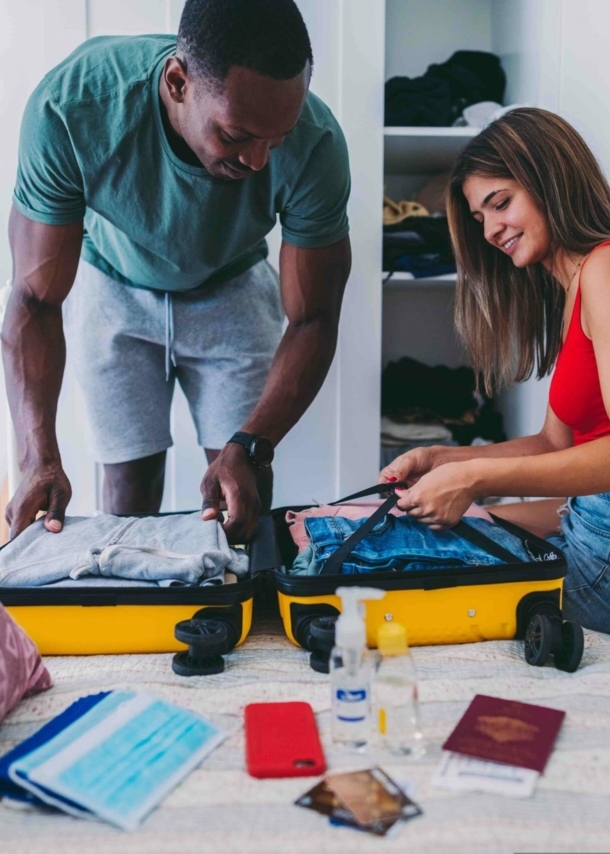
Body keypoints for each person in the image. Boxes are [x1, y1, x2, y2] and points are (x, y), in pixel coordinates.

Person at [2, 0, 351, 543]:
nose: (259, 161)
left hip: (232, 285)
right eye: (237, 136)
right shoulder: (71, 107)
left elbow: (316, 318)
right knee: (128, 492)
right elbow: (32, 300)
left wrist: (250, 444)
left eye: (275, 139)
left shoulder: (318, 142)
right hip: (113, 279)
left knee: (242, 491)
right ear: (177, 81)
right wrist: (36, 456)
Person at [380, 107, 610, 633]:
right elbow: (556, 444)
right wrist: (446, 458)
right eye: (480, 218)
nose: (490, 231)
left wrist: (476, 476)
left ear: (550, 179)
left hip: (601, 554)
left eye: (500, 204)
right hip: (581, 524)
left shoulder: (604, 270)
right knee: (417, 546)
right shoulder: (573, 286)